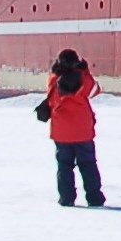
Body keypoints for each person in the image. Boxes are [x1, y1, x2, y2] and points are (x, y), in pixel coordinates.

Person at [45, 48, 106, 207]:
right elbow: (95, 90)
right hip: (83, 132)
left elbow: (51, 101)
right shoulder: (83, 79)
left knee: (64, 166)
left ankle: (66, 199)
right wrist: (85, 71)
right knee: (88, 165)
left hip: (62, 133)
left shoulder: (54, 80)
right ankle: (95, 199)